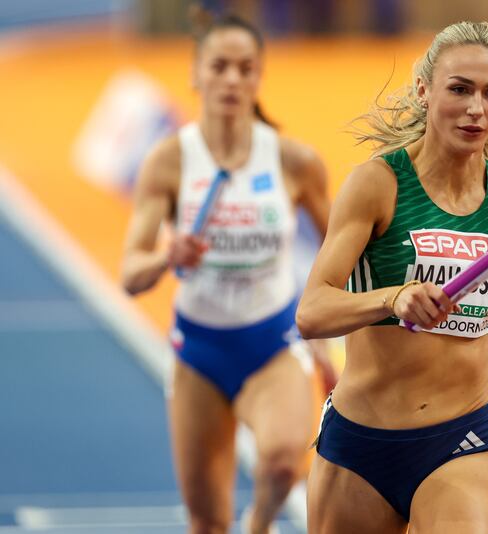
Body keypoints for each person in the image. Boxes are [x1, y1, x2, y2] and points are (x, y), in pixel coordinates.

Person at [296, 20, 488, 534]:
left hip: (464, 436)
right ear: (423, 90)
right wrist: (393, 298)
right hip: (361, 443)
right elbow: (312, 312)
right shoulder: (377, 185)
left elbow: (485, 294)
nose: (477, 109)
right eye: (460, 89)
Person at [121, 12, 331, 534]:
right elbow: (130, 274)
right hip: (199, 351)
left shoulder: (295, 161)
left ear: (259, 77)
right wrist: (168, 255)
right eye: (219, 67)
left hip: (273, 341)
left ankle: (259, 522)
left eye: (245, 68)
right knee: (207, 521)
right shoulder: (169, 161)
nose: (233, 79)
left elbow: (343, 252)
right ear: (196, 74)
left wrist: (329, 336)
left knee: (283, 462)